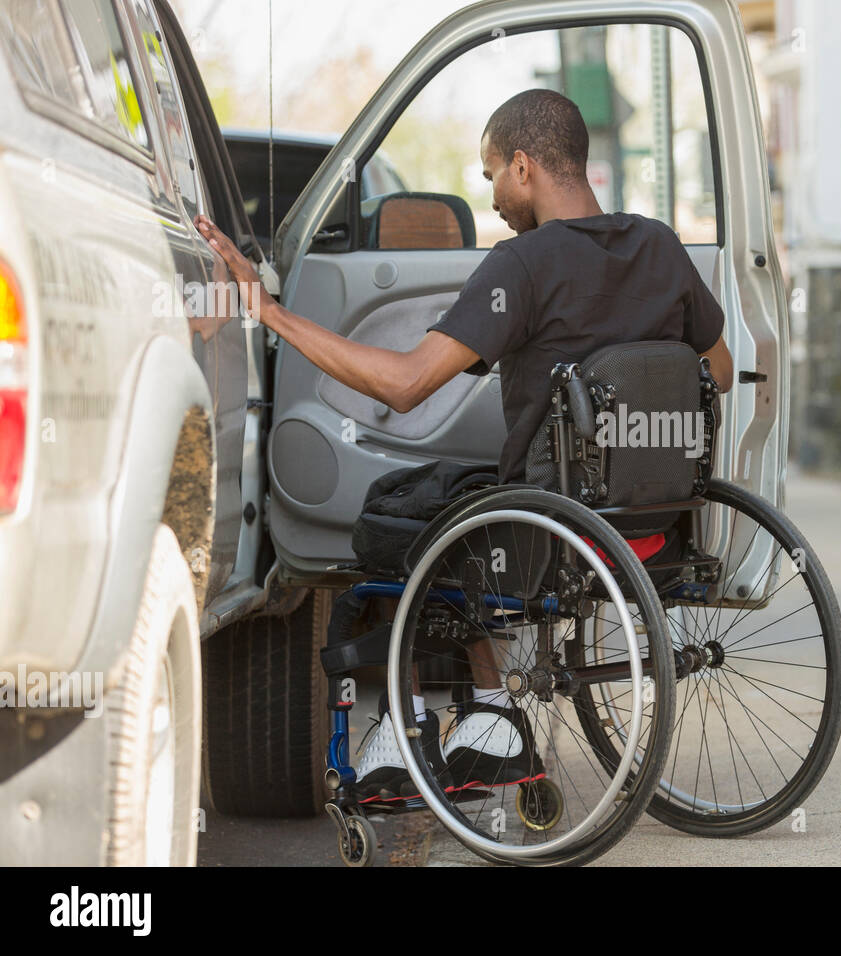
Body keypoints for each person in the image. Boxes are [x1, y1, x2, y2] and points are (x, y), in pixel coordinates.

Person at [197, 88, 734, 799]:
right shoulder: (660, 246)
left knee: (397, 511)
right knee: (463, 500)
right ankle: (488, 718)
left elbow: (406, 385)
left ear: (523, 167)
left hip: (554, 533)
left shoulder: (525, 264)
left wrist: (269, 313)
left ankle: (432, 722)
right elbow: (718, 372)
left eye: (490, 180)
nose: (493, 204)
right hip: (652, 527)